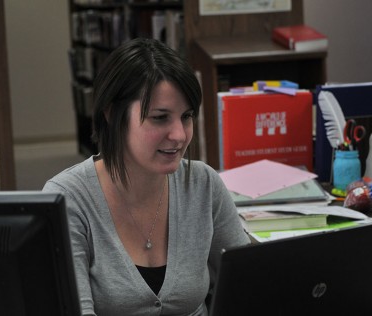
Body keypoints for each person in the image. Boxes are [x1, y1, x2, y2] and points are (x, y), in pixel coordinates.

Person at [43, 38, 250, 316]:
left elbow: (247, 289)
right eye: (160, 117)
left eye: (186, 116)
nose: (179, 135)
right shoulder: (69, 198)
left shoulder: (203, 184)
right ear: (113, 114)